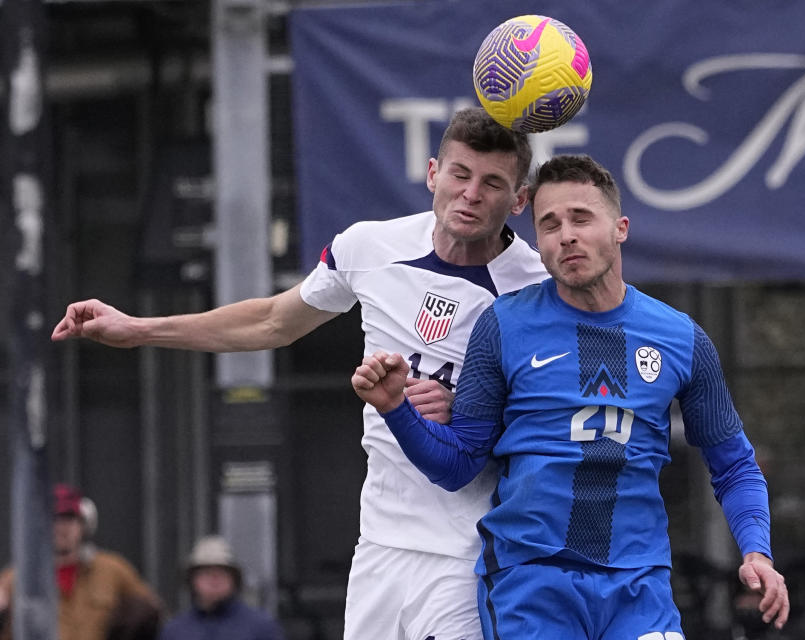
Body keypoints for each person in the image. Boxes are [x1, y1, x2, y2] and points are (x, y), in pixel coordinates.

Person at [51, 107, 548, 640]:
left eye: (493, 183)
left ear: (518, 200)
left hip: (467, 548)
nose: (471, 194)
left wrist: (477, 411)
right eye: (460, 174)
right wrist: (139, 328)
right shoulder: (369, 247)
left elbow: (555, 419)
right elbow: (271, 322)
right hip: (380, 544)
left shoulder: (535, 288)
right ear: (432, 173)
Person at [351, 154, 791, 639]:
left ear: (620, 227)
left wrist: (757, 552)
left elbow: (733, 465)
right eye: (549, 224)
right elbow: (457, 465)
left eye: (581, 218)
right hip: (531, 584)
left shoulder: (680, 338)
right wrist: (395, 407)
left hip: (638, 587)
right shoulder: (502, 326)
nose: (566, 235)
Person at [0, 483, 163, 640]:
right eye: (54, 519)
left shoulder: (113, 571)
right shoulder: (16, 580)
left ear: (83, 524)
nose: (61, 528)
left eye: (69, 519)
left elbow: (153, 614)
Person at [158, 535, 284, 640]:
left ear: (234, 580)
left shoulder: (261, 627)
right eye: (206, 573)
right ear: (192, 580)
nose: (214, 580)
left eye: (221, 573)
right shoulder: (175, 631)